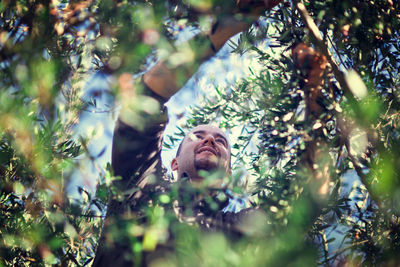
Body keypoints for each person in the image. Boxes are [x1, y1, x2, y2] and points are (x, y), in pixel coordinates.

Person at [93, 0, 328, 265]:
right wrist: (223, 29)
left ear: (228, 174)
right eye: (197, 135)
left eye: (220, 141)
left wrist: (316, 97)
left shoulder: (237, 229)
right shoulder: (143, 188)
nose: (209, 140)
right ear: (173, 162)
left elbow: (307, 200)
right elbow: (146, 98)